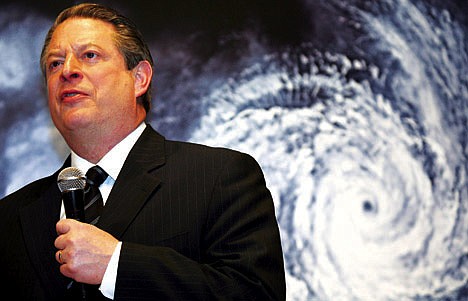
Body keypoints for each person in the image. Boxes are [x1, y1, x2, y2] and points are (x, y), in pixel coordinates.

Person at [0, 3, 286, 300]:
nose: (68, 70)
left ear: (139, 79)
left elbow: (256, 294)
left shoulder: (218, 177)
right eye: (55, 63)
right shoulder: (10, 217)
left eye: (90, 55)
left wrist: (117, 266)